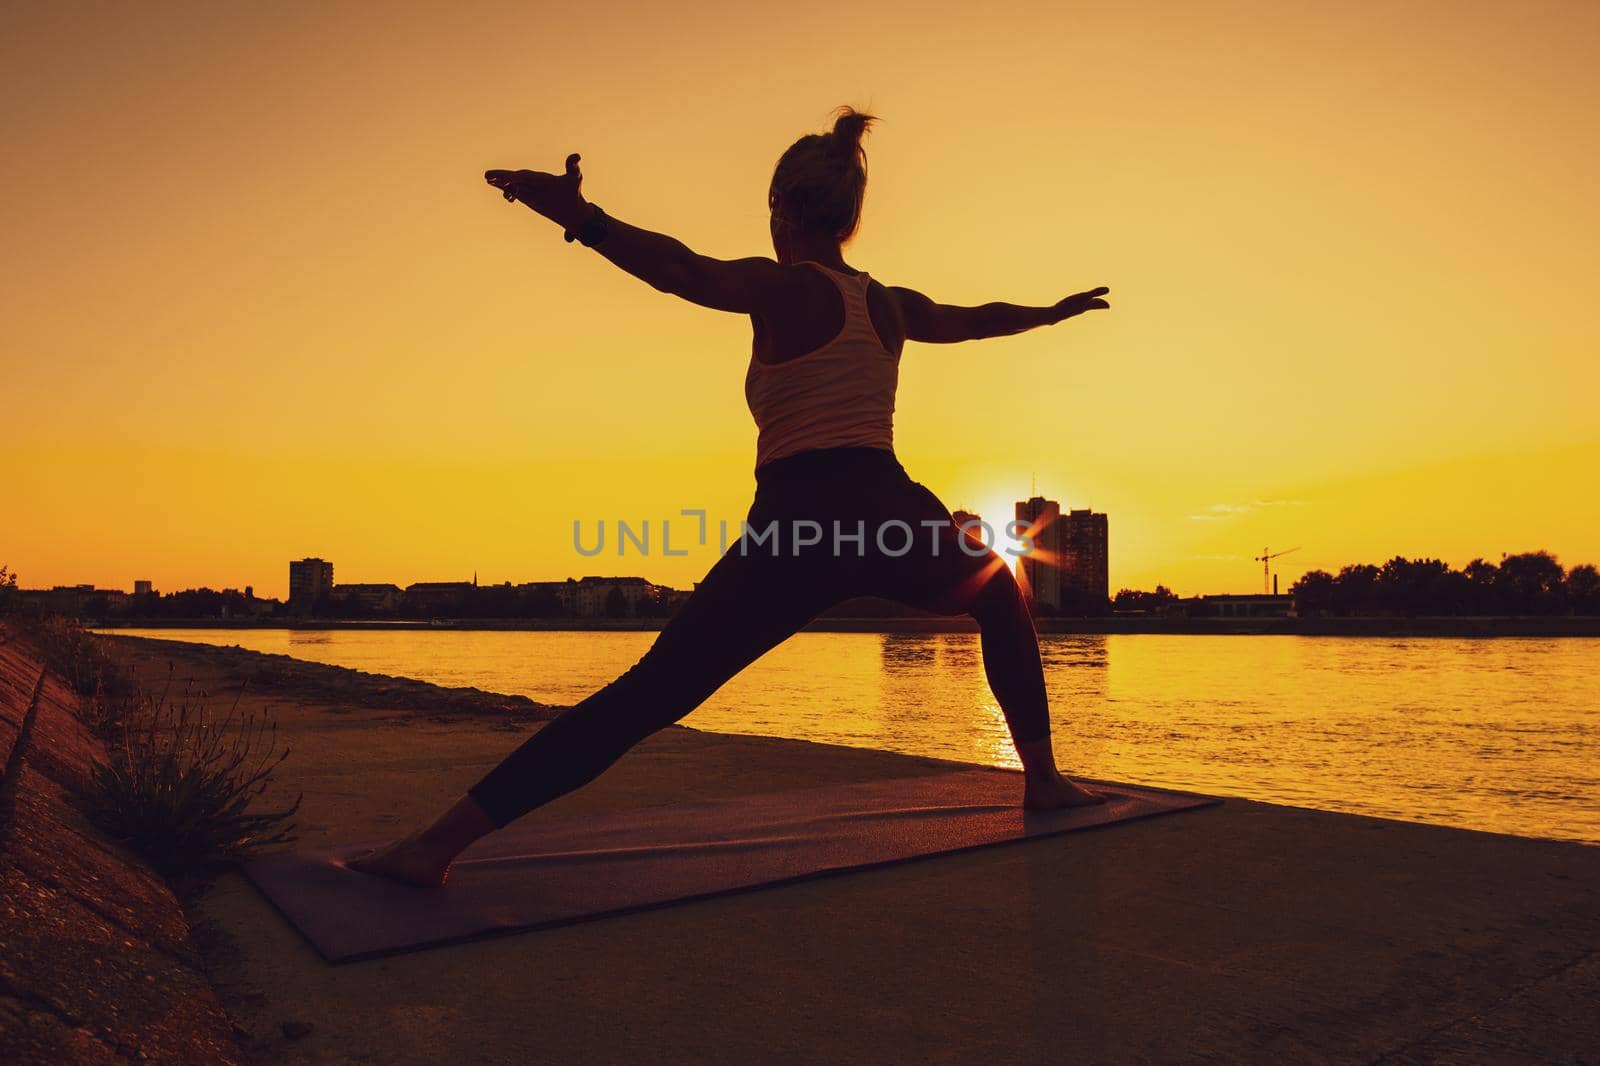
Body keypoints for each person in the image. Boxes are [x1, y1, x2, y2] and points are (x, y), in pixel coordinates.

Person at [352, 107, 1112, 887]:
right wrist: (1048, 313)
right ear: (851, 216)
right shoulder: (890, 302)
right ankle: (1044, 780)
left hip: (799, 524)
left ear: (780, 206)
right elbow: (975, 321)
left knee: (650, 693)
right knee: (997, 589)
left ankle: (433, 849)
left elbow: (681, 269)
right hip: (890, 512)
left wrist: (579, 216)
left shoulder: (778, 287)